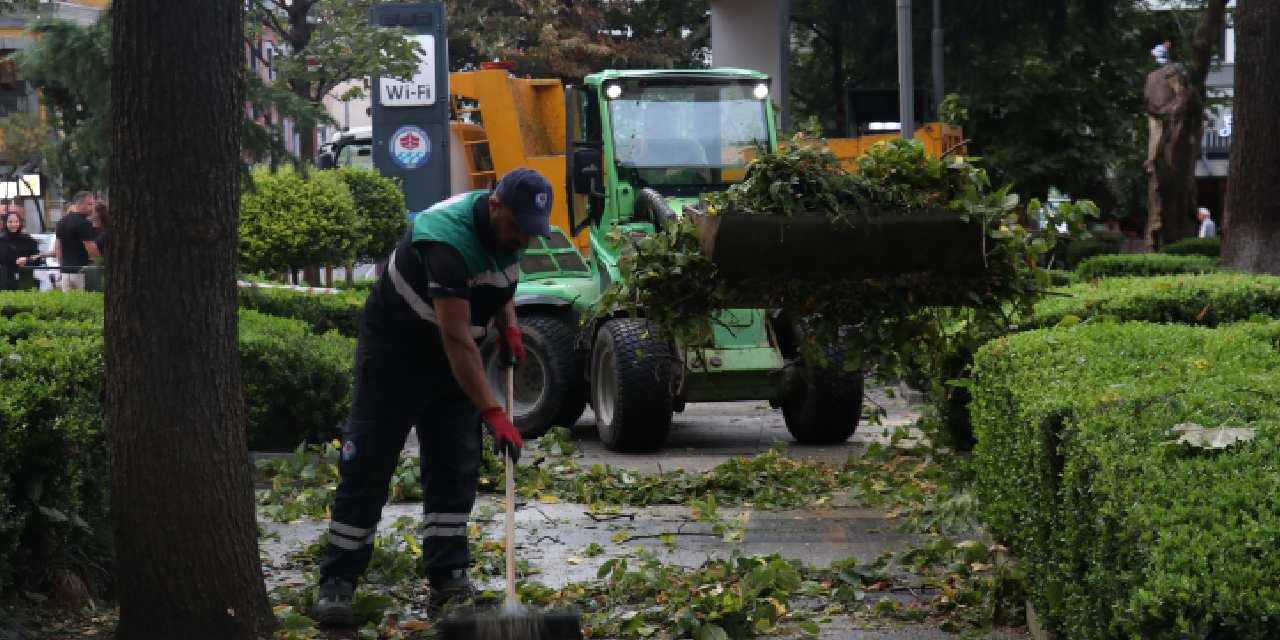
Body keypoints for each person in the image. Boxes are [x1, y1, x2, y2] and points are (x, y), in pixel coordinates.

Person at [313, 168, 553, 628]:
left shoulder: (512, 234)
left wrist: (510, 326)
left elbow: (500, 281)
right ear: (494, 204)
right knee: (368, 464)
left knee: (454, 463)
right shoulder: (445, 242)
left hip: (451, 352)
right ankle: (337, 583)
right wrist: (493, 413)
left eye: (531, 229)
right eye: (518, 226)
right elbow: (457, 340)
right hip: (396, 355)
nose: (524, 238)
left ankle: (449, 578)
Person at [54, 192, 99, 291]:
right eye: (89, 204)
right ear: (79, 204)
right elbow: (90, 246)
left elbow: (58, 248)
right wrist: (99, 262)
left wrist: (61, 267)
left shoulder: (61, 222)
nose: (92, 207)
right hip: (81, 271)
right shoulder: (84, 223)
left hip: (66, 271)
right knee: (84, 303)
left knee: (70, 304)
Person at [0, 211, 39, 290]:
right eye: (10, 222)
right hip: (5, 278)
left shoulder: (29, 240)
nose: (13, 224)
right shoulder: (1, 240)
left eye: (16, 221)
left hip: (25, 276)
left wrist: (27, 260)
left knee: (25, 301)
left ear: (20, 223)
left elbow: (37, 258)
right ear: (5, 223)